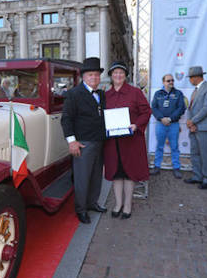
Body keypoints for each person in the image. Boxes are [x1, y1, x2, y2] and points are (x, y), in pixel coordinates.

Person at [61, 57, 107, 224]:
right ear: (84, 77)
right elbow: (66, 119)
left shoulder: (101, 94)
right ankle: (81, 209)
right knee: (82, 178)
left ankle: (92, 203)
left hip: (100, 141)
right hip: (83, 143)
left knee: (96, 176)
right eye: (90, 75)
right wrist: (72, 141)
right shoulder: (74, 94)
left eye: (96, 75)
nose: (94, 78)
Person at [104, 62, 151, 219]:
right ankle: (118, 204)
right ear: (111, 76)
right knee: (116, 173)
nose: (118, 75)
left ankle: (128, 205)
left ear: (125, 75)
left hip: (130, 142)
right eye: (115, 73)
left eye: (121, 73)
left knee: (129, 173)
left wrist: (136, 125)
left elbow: (146, 111)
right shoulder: (106, 95)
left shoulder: (135, 92)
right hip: (112, 143)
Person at [184, 66, 207, 190]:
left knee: (205, 153)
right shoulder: (196, 90)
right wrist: (191, 123)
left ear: (196, 77)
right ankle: (197, 175)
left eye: (191, 78)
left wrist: (193, 121)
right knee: (195, 152)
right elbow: (191, 108)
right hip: (195, 126)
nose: (190, 80)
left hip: (203, 127)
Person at [150, 74, 186, 179]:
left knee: (174, 146)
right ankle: (157, 167)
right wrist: (162, 118)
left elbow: (181, 108)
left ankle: (176, 168)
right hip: (160, 124)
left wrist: (170, 119)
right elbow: (154, 108)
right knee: (159, 146)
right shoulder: (157, 94)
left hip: (173, 124)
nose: (171, 82)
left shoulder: (178, 93)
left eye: (172, 80)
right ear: (163, 82)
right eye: (168, 80)